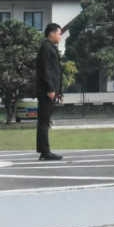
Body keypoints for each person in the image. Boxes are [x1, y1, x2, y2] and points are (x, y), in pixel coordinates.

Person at [35, 23, 64, 161]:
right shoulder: (46, 47)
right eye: (59, 33)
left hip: (51, 90)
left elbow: (55, 71)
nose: (60, 36)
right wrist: (50, 89)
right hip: (47, 91)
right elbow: (45, 70)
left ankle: (43, 151)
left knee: (45, 121)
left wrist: (59, 91)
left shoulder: (50, 47)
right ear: (51, 33)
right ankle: (45, 152)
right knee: (44, 122)